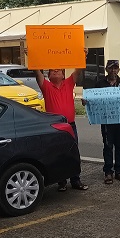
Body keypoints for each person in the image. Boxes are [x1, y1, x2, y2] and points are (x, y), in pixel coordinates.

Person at [35, 52, 89, 191]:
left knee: (73, 153)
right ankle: (61, 181)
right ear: (49, 76)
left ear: (64, 75)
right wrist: (33, 56)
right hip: (54, 127)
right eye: (52, 70)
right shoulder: (46, 87)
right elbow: (37, 72)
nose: (56, 70)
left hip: (70, 126)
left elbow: (78, 70)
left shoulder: (69, 83)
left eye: (59, 69)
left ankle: (75, 180)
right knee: (57, 154)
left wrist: (83, 56)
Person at [96, 59, 120, 185]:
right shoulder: (100, 84)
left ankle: (119, 170)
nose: (113, 70)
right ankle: (108, 172)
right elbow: (94, 100)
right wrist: (87, 101)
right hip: (106, 121)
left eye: (115, 68)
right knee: (108, 146)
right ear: (106, 69)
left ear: (119, 70)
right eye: (111, 68)